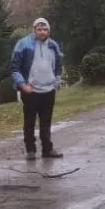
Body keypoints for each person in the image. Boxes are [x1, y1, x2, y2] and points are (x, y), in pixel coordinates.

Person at [10, 17, 64, 160]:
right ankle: (30, 150)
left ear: (48, 31)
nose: (42, 32)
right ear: (34, 29)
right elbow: (14, 67)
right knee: (29, 122)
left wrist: (56, 82)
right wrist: (22, 85)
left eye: (45, 29)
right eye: (39, 29)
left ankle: (47, 150)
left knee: (46, 122)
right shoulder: (23, 44)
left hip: (48, 90)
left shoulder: (53, 45)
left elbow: (59, 66)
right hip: (31, 91)